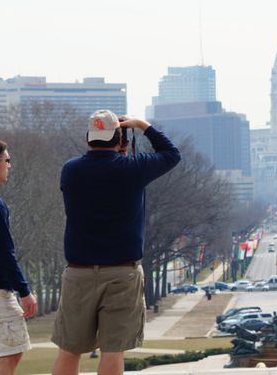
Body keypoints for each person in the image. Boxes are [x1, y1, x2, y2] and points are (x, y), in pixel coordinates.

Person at [51, 111, 181, 375]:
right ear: (120, 139)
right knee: (113, 350)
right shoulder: (132, 169)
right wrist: (142, 126)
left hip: (78, 271)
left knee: (70, 348)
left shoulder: (71, 170)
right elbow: (171, 154)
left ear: (89, 137)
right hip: (123, 271)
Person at [0, 139, 38, 375]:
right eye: (7, 160)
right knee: (12, 352)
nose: (10, 165)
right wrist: (24, 291)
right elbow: (4, 253)